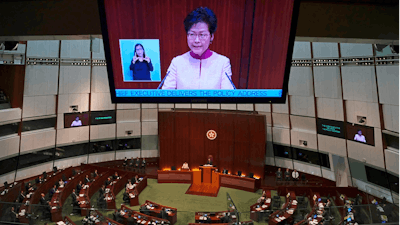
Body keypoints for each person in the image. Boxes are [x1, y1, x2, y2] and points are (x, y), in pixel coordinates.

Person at [161, 7, 234, 90]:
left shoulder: (223, 63)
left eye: (202, 35)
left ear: (211, 36)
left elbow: (227, 96)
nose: (196, 40)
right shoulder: (177, 63)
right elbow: (166, 95)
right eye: (192, 34)